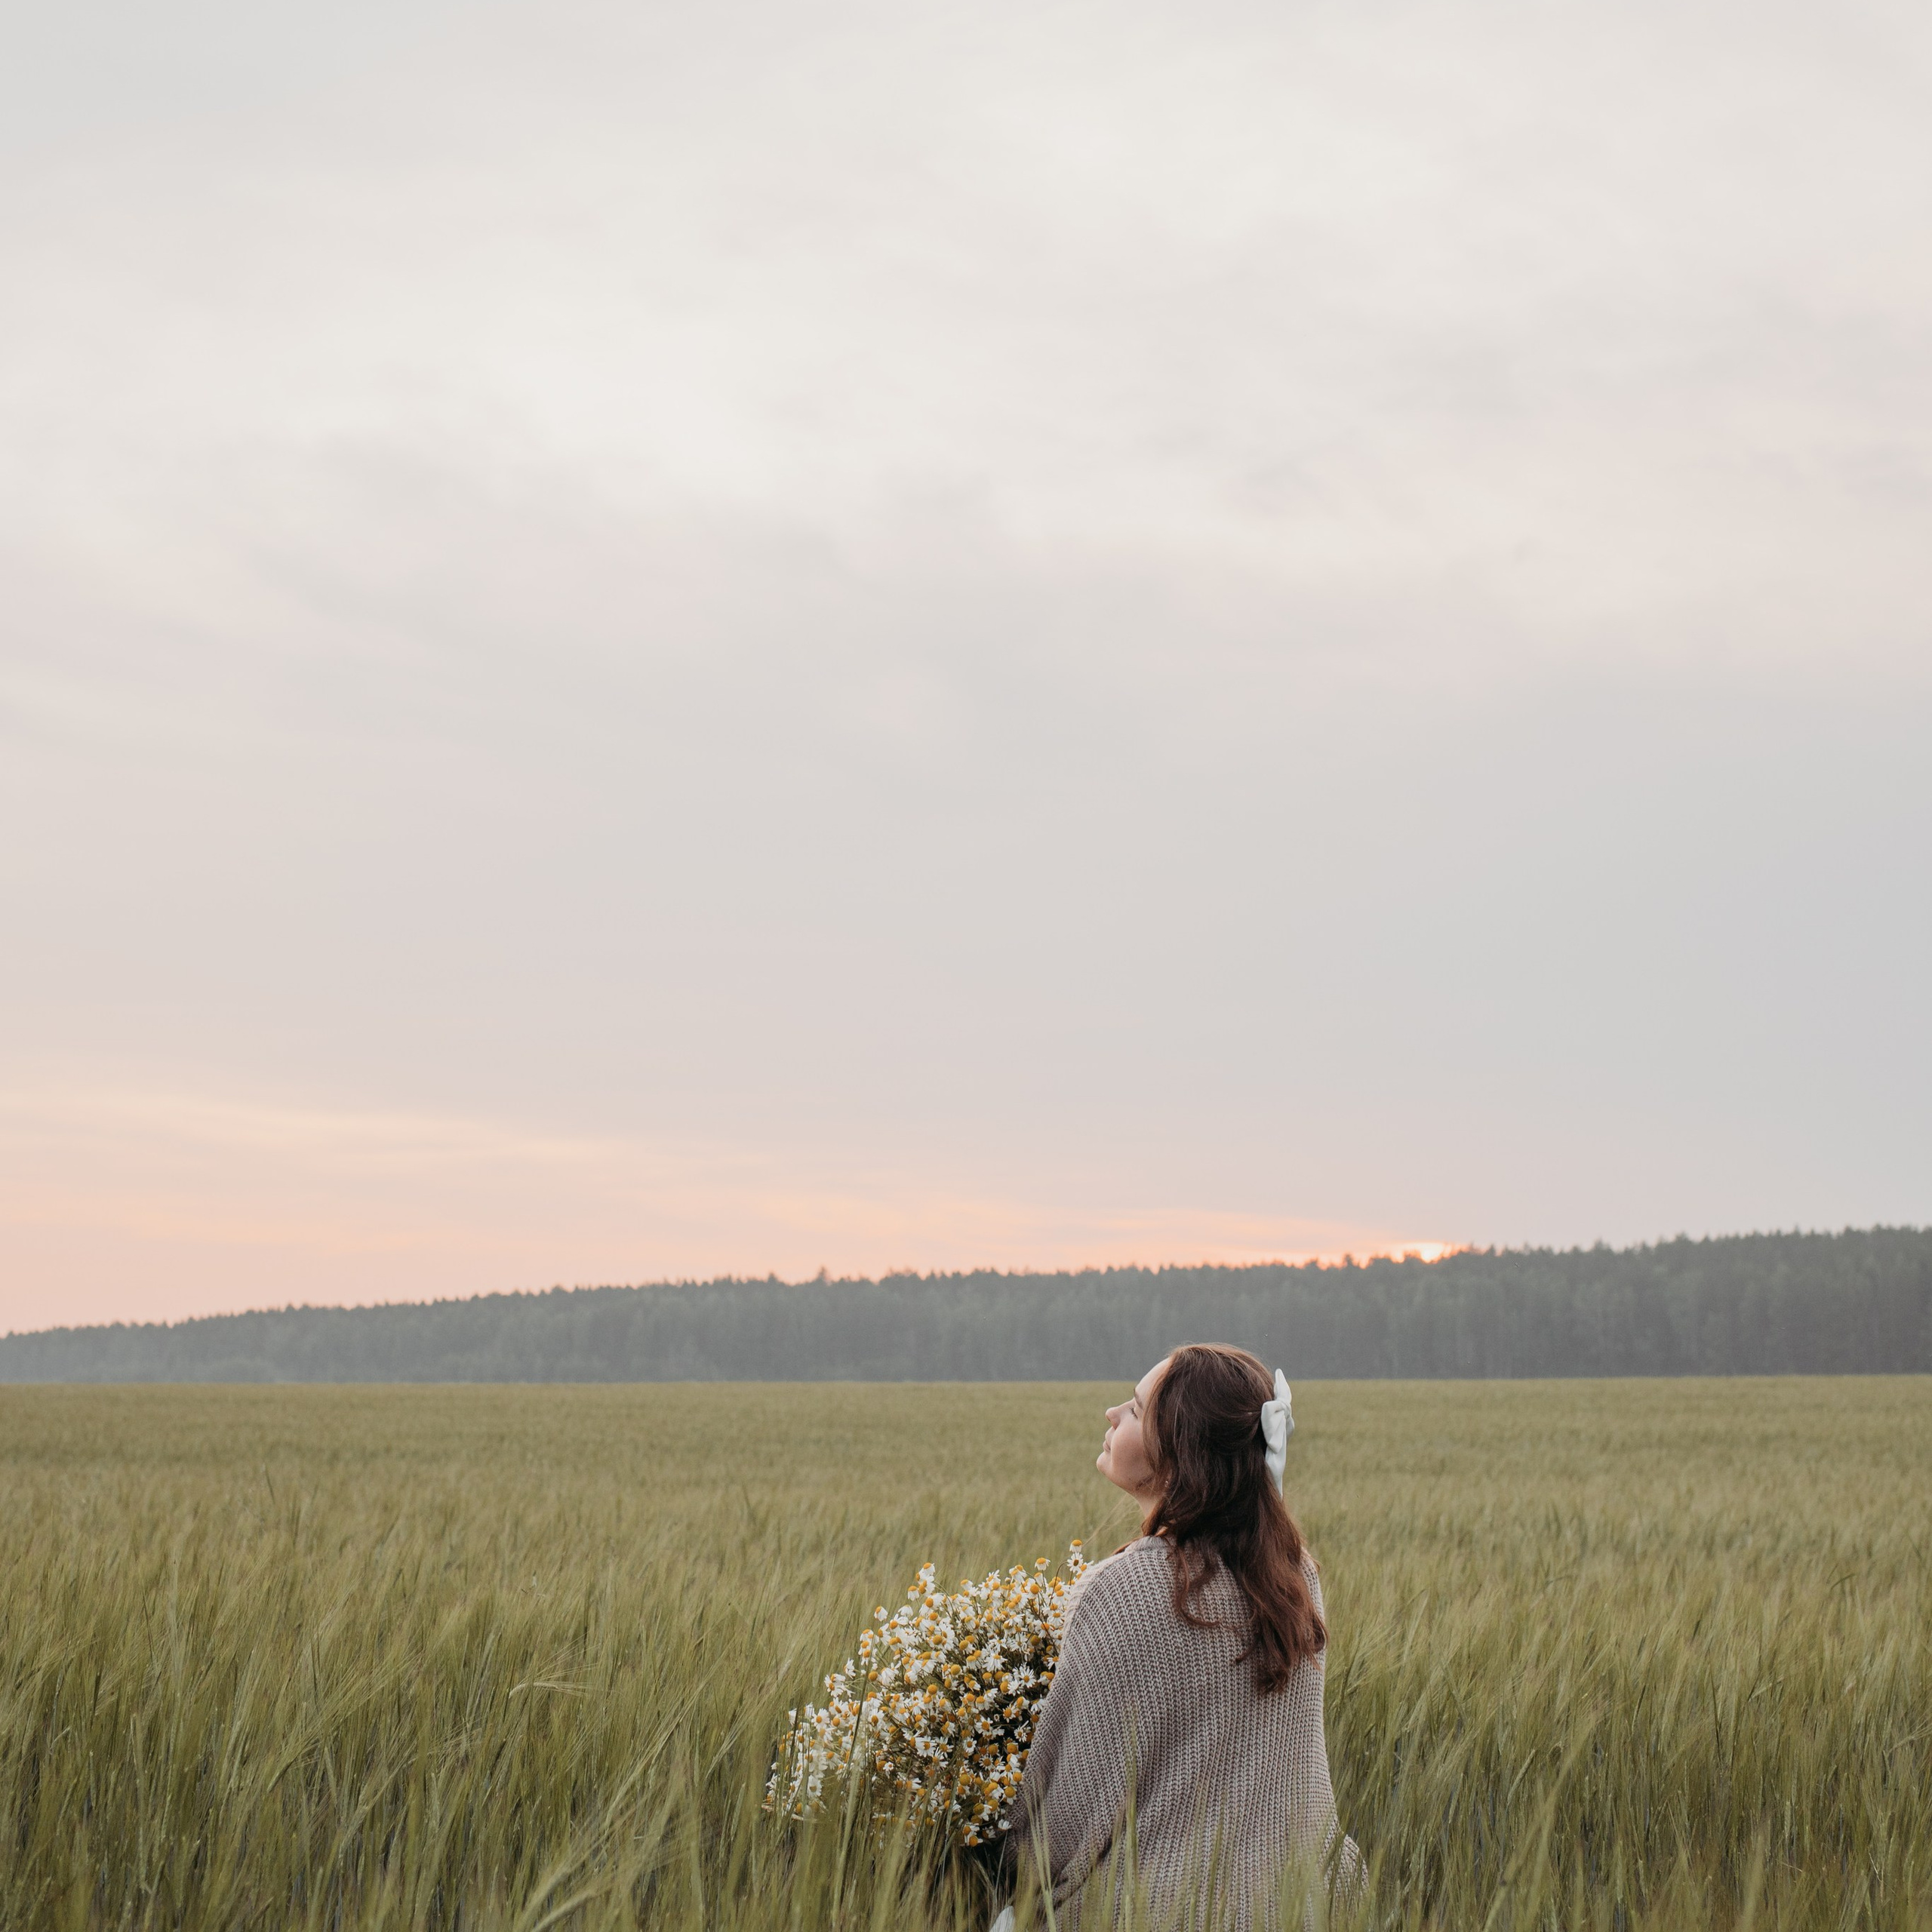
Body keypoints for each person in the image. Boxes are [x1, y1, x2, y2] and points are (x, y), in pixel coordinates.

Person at [1004, 1344, 1361, 1930]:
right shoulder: (1296, 1575)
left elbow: (1054, 1821)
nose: (1112, 1413)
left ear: (1178, 1453)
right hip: (1304, 1907)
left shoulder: (1120, 1591)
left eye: (1138, 1409)